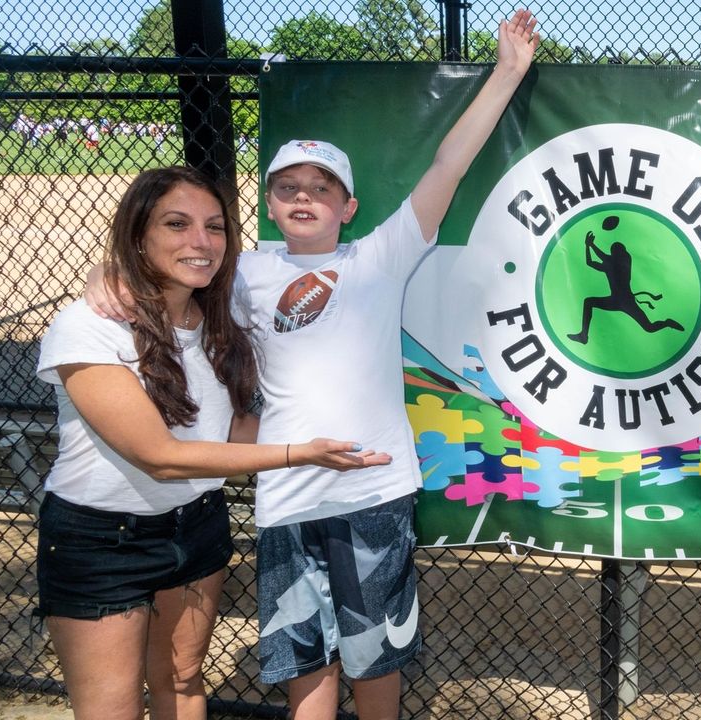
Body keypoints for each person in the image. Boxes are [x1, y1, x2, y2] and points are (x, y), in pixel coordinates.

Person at [87, 11, 540, 719]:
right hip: (287, 495)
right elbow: (162, 267)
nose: (304, 197)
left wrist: (508, 70)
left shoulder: (381, 257)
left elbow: (449, 162)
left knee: (376, 661)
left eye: (321, 187)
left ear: (348, 206)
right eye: (288, 186)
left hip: (373, 490)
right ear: (267, 202)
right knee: (306, 663)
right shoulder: (240, 272)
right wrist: (107, 277)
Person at [36, 166, 391, 720]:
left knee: (181, 678)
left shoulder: (218, 321)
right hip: (101, 539)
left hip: (197, 524)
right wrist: (303, 454)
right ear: (138, 234)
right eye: (177, 224)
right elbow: (160, 457)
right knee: (112, 705)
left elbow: (226, 434)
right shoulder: (90, 325)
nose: (201, 242)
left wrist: (349, 433)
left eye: (214, 227)